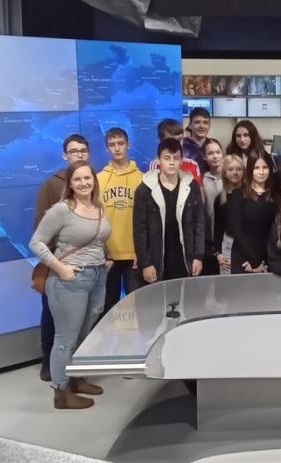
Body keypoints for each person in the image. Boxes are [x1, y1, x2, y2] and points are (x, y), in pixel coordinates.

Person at [29, 160, 111, 410]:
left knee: (83, 335)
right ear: (70, 184)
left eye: (88, 178)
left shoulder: (98, 206)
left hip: (97, 277)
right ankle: (61, 392)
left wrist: (105, 259)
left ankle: (75, 378)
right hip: (70, 280)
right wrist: (60, 268)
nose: (84, 183)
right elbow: (36, 243)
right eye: (78, 179)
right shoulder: (61, 210)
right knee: (65, 339)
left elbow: (98, 239)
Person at [32, 133, 90, 382]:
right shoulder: (51, 185)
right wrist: (56, 261)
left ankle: (77, 364)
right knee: (52, 313)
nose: (79, 155)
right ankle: (48, 360)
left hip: (87, 264)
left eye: (83, 151)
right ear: (65, 155)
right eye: (74, 151)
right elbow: (40, 229)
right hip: (58, 263)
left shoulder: (92, 182)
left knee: (82, 316)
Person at [133, 138, 205, 286]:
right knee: (156, 299)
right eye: (167, 158)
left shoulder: (191, 186)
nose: (172, 162)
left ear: (181, 160)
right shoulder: (145, 189)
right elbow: (139, 230)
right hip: (156, 261)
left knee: (185, 298)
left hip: (185, 260)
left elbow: (199, 224)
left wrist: (198, 256)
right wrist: (145, 263)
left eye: (176, 158)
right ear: (159, 160)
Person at [97, 128, 142, 318]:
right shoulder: (99, 179)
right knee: (108, 307)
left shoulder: (141, 178)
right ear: (107, 148)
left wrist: (142, 251)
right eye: (112, 144)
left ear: (128, 145)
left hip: (134, 254)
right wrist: (101, 252)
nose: (117, 148)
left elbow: (147, 220)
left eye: (120, 143)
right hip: (109, 255)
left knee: (137, 306)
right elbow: (95, 219)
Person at [227, 150, 277, 274]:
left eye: (265, 167)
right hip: (242, 257)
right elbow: (237, 231)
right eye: (256, 168)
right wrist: (254, 262)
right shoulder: (238, 194)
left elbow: (273, 232)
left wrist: (262, 261)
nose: (261, 172)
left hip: (266, 259)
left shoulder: (275, 196)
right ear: (250, 169)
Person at [211, 154, 245, 275]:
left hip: (248, 244)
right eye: (231, 169)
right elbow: (218, 228)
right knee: (228, 283)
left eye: (238, 169)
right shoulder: (220, 199)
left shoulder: (249, 196)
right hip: (228, 245)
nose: (235, 172)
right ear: (224, 173)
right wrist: (218, 253)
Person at [148, 119, 202, 185]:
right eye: (171, 140)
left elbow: (198, 190)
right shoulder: (155, 165)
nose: (176, 144)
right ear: (161, 141)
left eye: (179, 139)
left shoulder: (192, 165)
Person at [200, 138, 225, 275]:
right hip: (208, 240)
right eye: (210, 153)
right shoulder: (202, 180)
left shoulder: (231, 176)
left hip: (227, 240)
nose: (215, 156)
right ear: (204, 157)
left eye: (218, 152)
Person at [183, 107, 211, 171]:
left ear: (209, 125)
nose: (201, 126)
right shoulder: (181, 146)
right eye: (197, 122)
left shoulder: (213, 146)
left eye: (205, 122)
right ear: (190, 125)